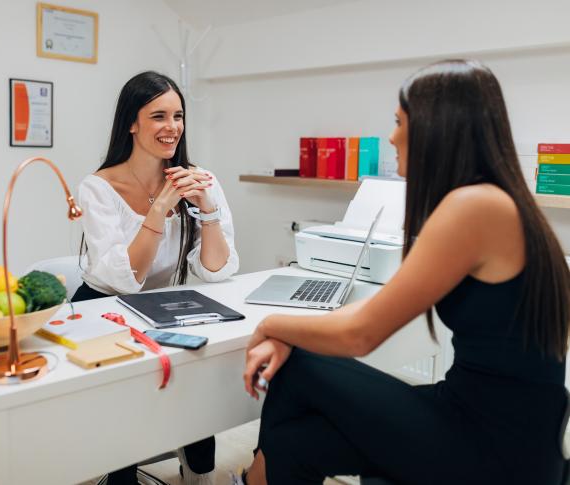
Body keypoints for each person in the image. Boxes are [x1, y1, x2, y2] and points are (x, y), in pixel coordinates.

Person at [236, 59, 569, 485]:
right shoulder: (496, 201)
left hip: (497, 446)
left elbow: (361, 334)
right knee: (295, 443)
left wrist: (271, 325)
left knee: (299, 365)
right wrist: (287, 330)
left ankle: (251, 480)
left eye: (398, 122)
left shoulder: (475, 207)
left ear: (438, 126)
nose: (392, 137)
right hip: (488, 423)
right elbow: (373, 311)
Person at [75, 71, 239, 485]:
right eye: (159, 116)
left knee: (199, 373)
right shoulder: (98, 187)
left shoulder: (201, 179)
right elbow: (126, 276)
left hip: (167, 303)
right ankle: (120, 477)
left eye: (178, 116)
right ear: (132, 122)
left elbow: (218, 271)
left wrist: (207, 209)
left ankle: (198, 470)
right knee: (125, 391)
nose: (172, 128)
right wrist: (159, 210)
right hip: (103, 306)